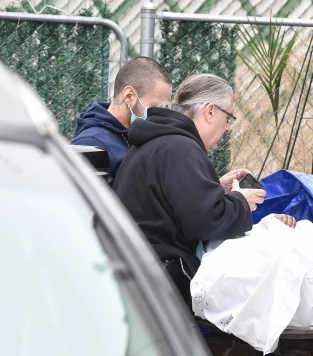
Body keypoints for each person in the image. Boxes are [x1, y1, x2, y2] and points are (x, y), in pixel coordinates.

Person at [113, 73, 267, 306]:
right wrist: (241, 202)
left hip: (136, 278)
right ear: (210, 111)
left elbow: (174, 203)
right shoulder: (181, 148)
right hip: (163, 288)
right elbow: (204, 222)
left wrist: (216, 188)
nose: (228, 128)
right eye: (229, 118)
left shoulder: (157, 141)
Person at [71, 56, 172, 180]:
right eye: (155, 106)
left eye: (164, 107)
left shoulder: (133, 135)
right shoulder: (91, 143)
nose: (159, 113)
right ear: (129, 96)